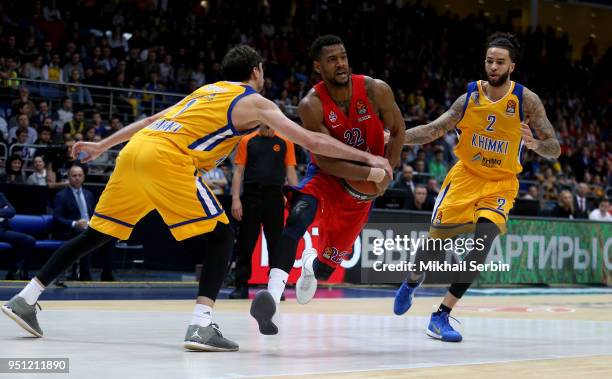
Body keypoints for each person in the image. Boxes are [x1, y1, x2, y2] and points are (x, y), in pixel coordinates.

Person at [2, 45, 391, 352]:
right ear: (255, 71)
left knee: (98, 234)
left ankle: (27, 296)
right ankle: (202, 325)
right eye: (262, 72)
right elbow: (312, 140)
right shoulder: (255, 102)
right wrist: (368, 155)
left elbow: (153, 120)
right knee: (222, 235)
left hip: (135, 152)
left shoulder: (205, 92)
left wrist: (103, 144)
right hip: (168, 160)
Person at [393, 32, 561, 342]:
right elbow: (433, 130)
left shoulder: (527, 101)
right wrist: (395, 139)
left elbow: (555, 148)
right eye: (489, 61)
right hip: (466, 177)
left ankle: (441, 315)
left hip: (501, 184)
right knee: (434, 248)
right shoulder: (468, 98)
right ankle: (412, 280)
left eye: (500, 62)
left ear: (512, 66)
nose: (493, 67)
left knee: (480, 247)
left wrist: (535, 143)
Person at [249, 35, 404, 335]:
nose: (341, 63)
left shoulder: (375, 90)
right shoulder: (312, 104)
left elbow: (398, 130)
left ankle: (311, 268)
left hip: (359, 199)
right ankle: (272, 296)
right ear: (318, 67)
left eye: (343, 56)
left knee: (325, 269)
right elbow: (326, 160)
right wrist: (371, 173)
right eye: (332, 59)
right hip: (327, 180)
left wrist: (389, 170)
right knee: (297, 217)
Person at [230, 124, 298, 299]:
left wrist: (296, 200)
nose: (269, 128)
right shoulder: (247, 140)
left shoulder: (285, 142)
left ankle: (275, 289)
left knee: (276, 245)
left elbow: (291, 173)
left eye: (271, 125)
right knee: (245, 244)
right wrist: (236, 199)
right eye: (266, 124)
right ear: (260, 121)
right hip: (251, 196)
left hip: (275, 197)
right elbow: (238, 172)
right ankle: (241, 286)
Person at [53, 166, 113, 281]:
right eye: (74, 176)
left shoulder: (88, 194)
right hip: (71, 230)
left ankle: (107, 274)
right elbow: (57, 218)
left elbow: (95, 213)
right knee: (85, 235)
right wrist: (75, 223)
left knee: (109, 236)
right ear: (69, 177)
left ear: (84, 177)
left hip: (90, 226)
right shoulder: (61, 195)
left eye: (80, 175)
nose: (77, 178)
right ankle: (85, 274)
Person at [0, 192, 36, 280]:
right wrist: (3, 210)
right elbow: (6, 211)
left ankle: (15, 270)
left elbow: (11, 211)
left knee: (29, 240)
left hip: (2, 230)